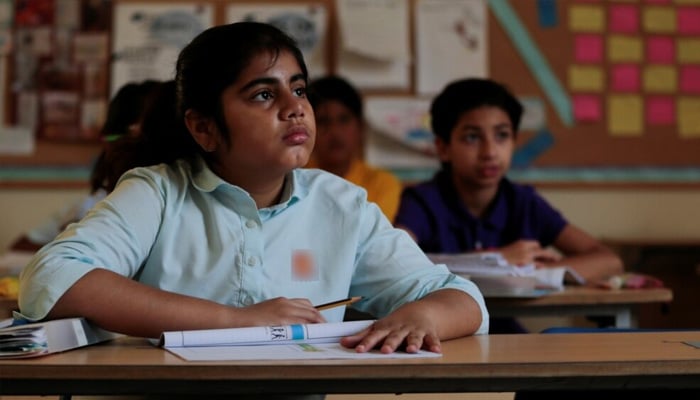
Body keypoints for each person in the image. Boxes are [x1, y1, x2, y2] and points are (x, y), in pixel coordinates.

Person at [19, 21, 488, 366]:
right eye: (264, 95)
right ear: (204, 127)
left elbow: (461, 297)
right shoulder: (159, 192)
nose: (295, 109)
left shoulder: (340, 204)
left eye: (299, 89)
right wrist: (235, 320)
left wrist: (425, 315)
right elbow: (51, 279)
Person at [394, 77, 623, 334]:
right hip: (441, 335)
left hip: (505, 334)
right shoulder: (423, 201)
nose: (490, 151)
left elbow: (608, 260)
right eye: (472, 137)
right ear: (443, 147)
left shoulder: (523, 202)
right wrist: (495, 261)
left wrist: (533, 271)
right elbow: (397, 265)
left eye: (502, 135)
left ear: (514, 141)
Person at [9, 79, 162, 252]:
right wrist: (66, 244)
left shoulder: (162, 206)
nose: (115, 152)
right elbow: (21, 245)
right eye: (113, 141)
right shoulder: (92, 205)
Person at [306, 75, 402, 221]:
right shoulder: (292, 180)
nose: (335, 132)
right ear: (307, 129)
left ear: (361, 127)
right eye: (323, 121)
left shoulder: (382, 184)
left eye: (343, 120)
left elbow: (370, 240)